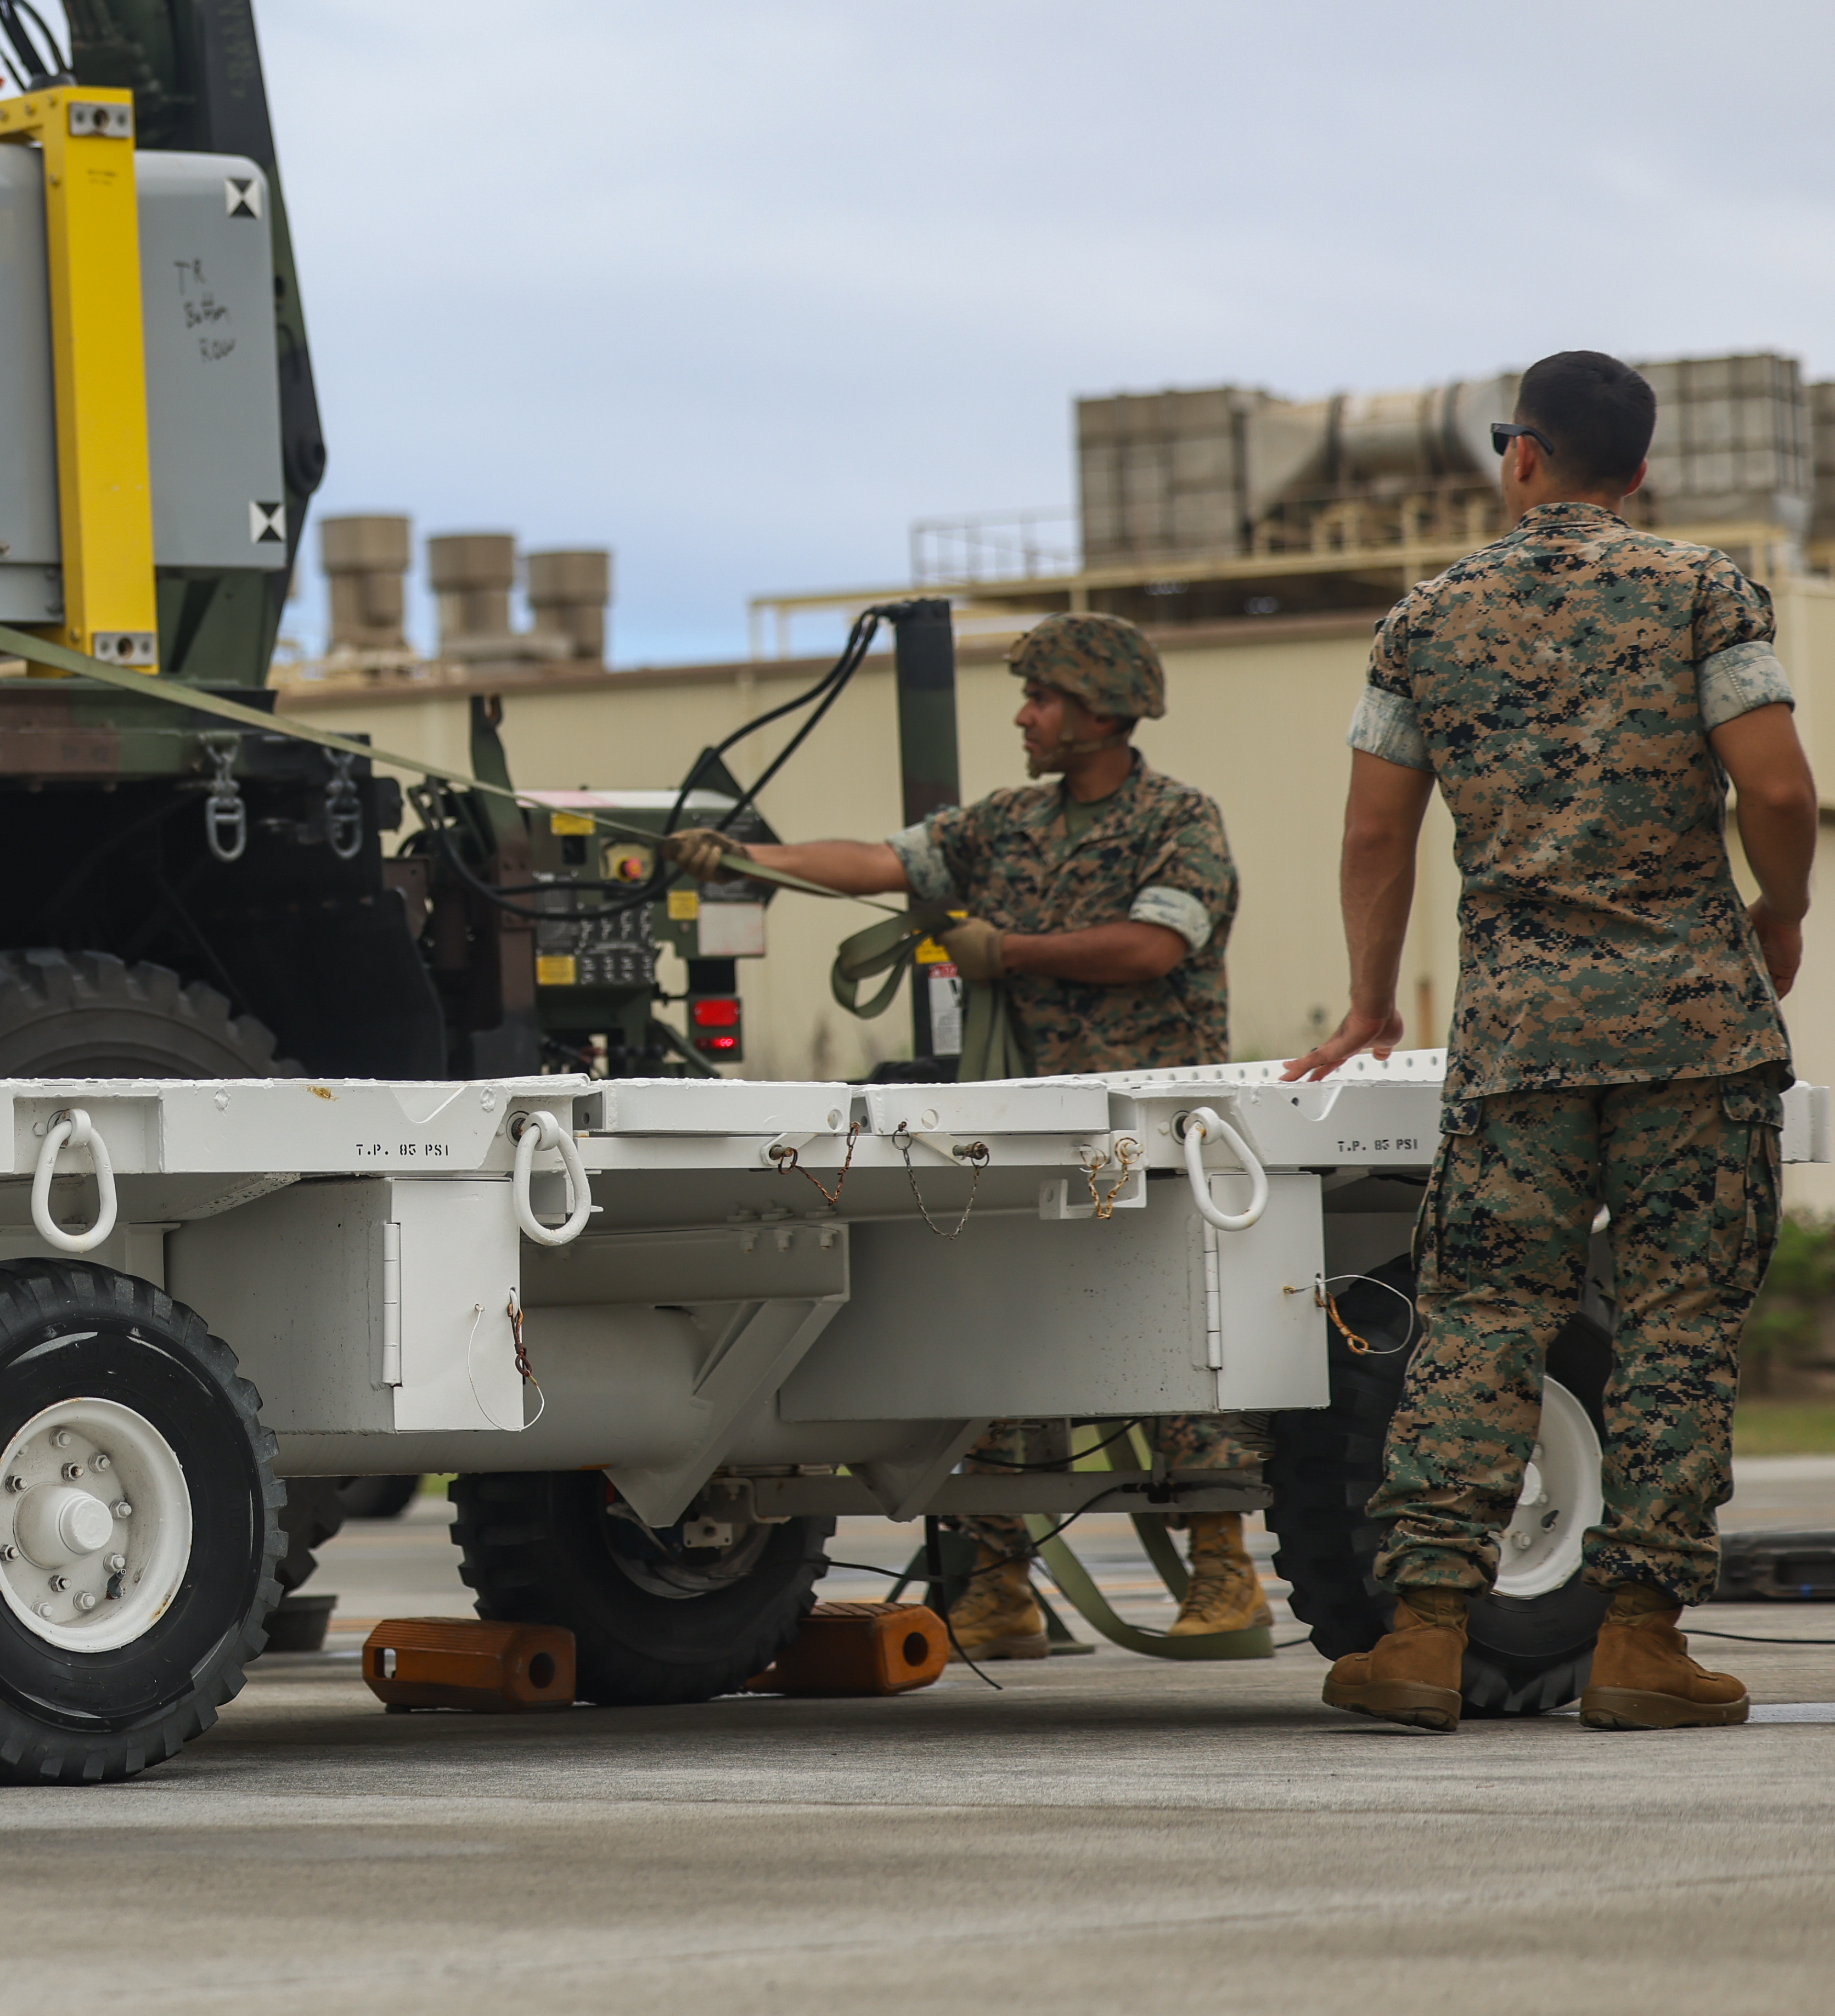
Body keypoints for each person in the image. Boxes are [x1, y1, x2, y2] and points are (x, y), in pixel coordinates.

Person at [1290, 351, 1810, 1733]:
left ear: (1520, 454)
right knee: (1676, 1327)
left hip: (1518, 1036)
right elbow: (1775, 783)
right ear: (1636, 468)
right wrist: (1782, 913)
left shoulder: (1424, 617)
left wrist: (1366, 1000)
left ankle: (1421, 1633)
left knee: (1478, 1320)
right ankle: (1640, 1645)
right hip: (1692, 1031)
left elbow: (1370, 830)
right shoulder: (1703, 590)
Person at [672, 611, 1256, 1659]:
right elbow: (879, 863)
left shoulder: (1178, 819)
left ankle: (1225, 1571)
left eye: (1042, 699)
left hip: (1145, 1129)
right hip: (1034, 1127)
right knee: (1002, 1332)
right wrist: (747, 858)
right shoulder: (1006, 823)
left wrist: (1012, 951)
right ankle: (999, 1586)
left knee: (1170, 1336)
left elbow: (1155, 945)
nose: (1024, 717)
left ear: (1098, 711)